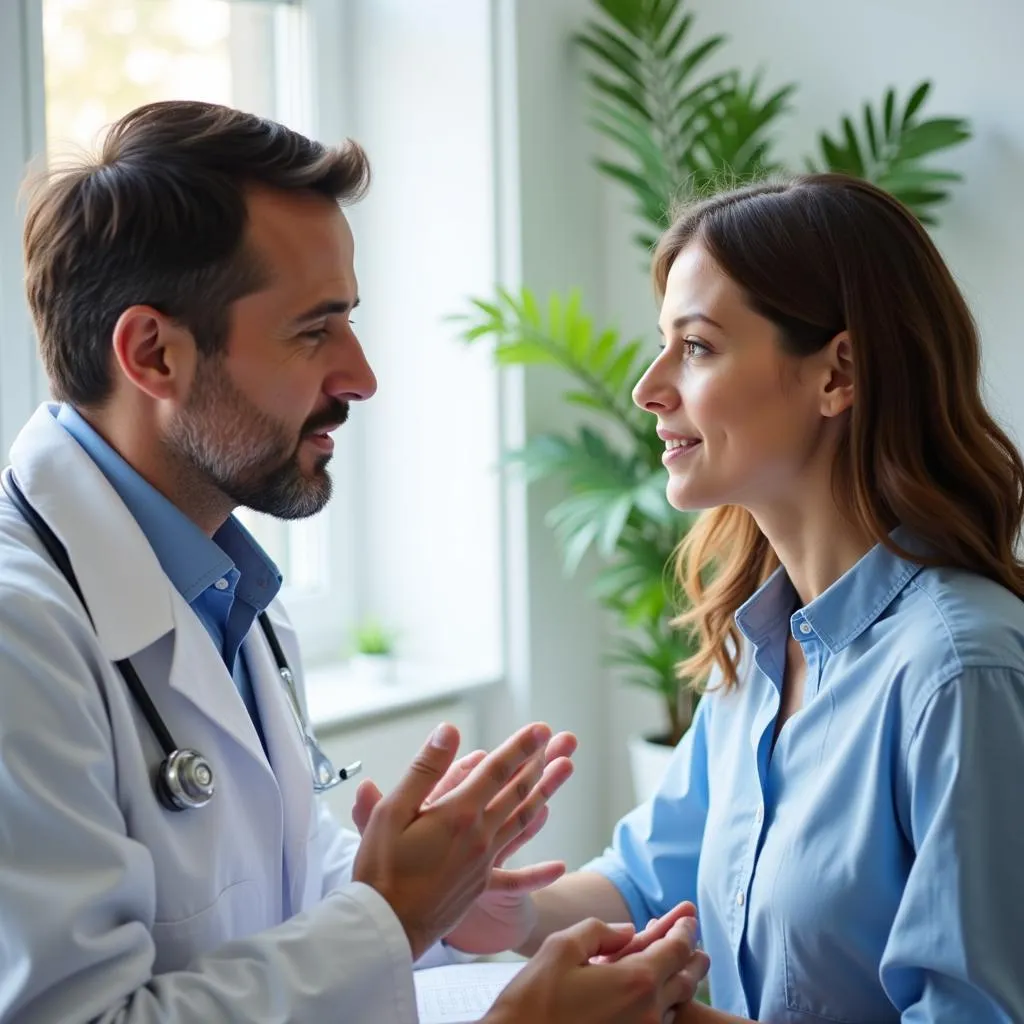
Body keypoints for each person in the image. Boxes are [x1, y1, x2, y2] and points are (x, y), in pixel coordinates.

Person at [0, 101, 708, 1023]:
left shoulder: (221, 583)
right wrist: (437, 953)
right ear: (153, 354)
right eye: (313, 330)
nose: (361, 376)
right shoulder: (23, 636)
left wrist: (443, 896)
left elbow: (275, 899)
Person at [443, 174, 1024, 1022]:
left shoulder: (961, 672)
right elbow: (649, 880)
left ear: (840, 373)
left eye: (699, 346)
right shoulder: (761, 647)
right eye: (662, 343)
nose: (648, 387)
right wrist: (499, 907)